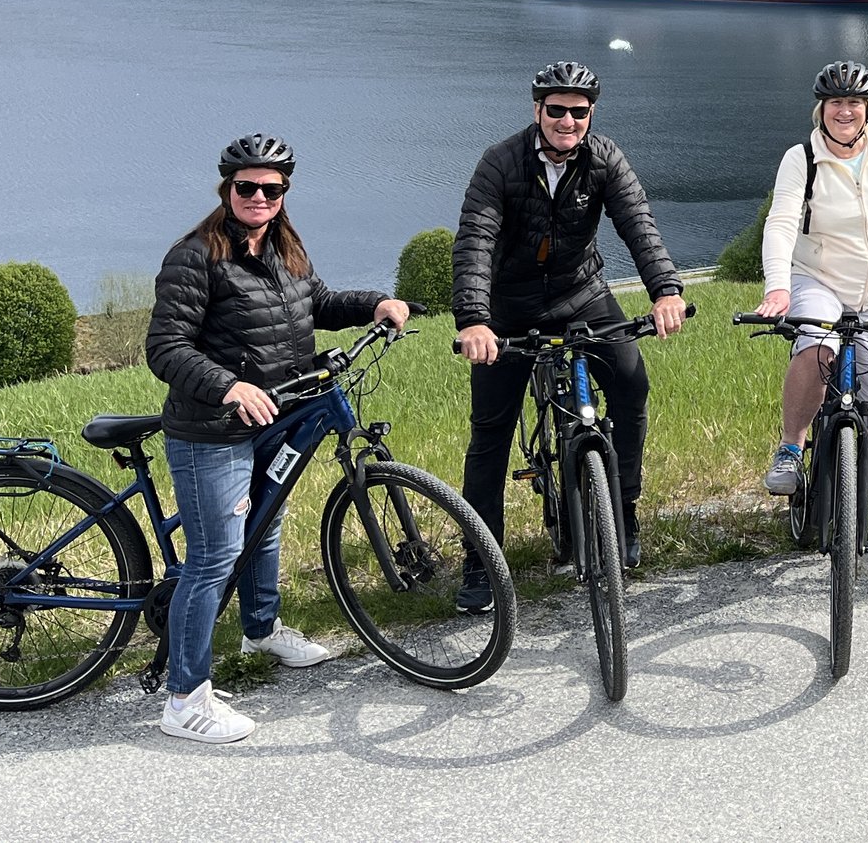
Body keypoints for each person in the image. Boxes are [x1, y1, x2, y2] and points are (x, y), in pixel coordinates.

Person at [146, 134, 409, 744]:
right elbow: (165, 347)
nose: (259, 197)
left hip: (279, 413)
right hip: (212, 430)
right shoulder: (195, 256)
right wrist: (228, 387)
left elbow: (314, 303)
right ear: (227, 189)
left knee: (266, 524)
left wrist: (376, 302)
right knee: (213, 558)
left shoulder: (284, 247)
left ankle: (261, 629)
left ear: (285, 193)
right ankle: (184, 702)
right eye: (248, 187)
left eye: (272, 188)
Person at [453, 62, 686, 604]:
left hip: (579, 294)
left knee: (632, 386)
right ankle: (480, 562)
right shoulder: (501, 161)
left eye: (578, 112)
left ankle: (621, 512)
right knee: (490, 435)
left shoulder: (604, 158)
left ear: (591, 115)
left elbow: (638, 223)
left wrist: (666, 289)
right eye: (555, 109)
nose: (567, 120)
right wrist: (474, 320)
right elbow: (475, 240)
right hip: (508, 309)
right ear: (537, 111)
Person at [754, 62, 868, 557]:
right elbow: (782, 221)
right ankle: (792, 447)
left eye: (854, 103)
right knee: (819, 342)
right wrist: (778, 289)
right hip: (818, 280)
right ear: (821, 110)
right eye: (836, 103)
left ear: (867, 109)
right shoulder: (801, 158)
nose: (845, 111)